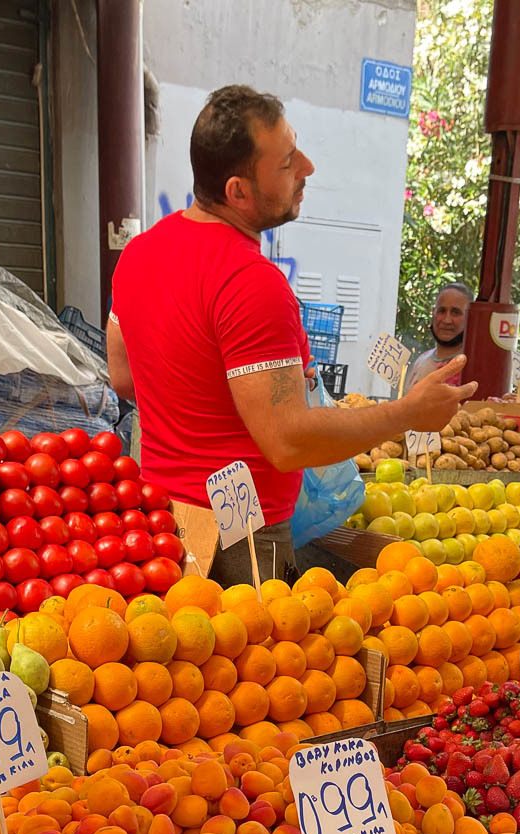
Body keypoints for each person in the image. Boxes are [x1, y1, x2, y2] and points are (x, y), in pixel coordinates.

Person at [108, 85, 477, 586]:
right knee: (256, 662)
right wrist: (408, 413)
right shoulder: (249, 282)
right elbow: (286, 442)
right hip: (238, 543)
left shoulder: (139, 255)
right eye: (286, 163)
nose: (308, 167)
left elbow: (124, 377)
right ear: (238, 191)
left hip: (160, 525)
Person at [404, 282, 473, 391]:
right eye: (442, 311)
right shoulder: (420, 362)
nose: (447, 320)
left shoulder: (472, 367)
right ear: (433, 313)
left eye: (455, 312)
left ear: (470, 318)